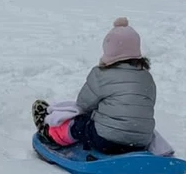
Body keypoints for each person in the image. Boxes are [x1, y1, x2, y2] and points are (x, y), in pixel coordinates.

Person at [32, 18, 156, 155]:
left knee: (80, 125)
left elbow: (83, 104)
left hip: (106, 141)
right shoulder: (146, 77)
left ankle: (52, 134)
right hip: (141, 141)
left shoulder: (101, 74)